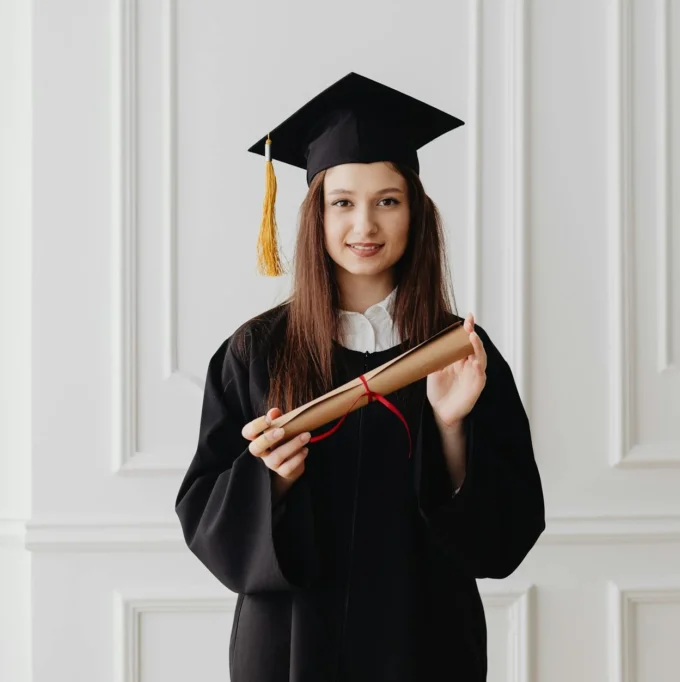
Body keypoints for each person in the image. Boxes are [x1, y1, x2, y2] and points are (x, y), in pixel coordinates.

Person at [174, 72, 545, 682]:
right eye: (342, 202)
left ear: (416, 211)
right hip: (291, 648)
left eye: (387, 201)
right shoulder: (256, 352)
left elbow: (503, 537)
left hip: (426, 643)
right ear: (315, 214)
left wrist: (452, 429)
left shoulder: (457, 353)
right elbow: (205, 519)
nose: (364, 226)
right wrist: (270, 480)